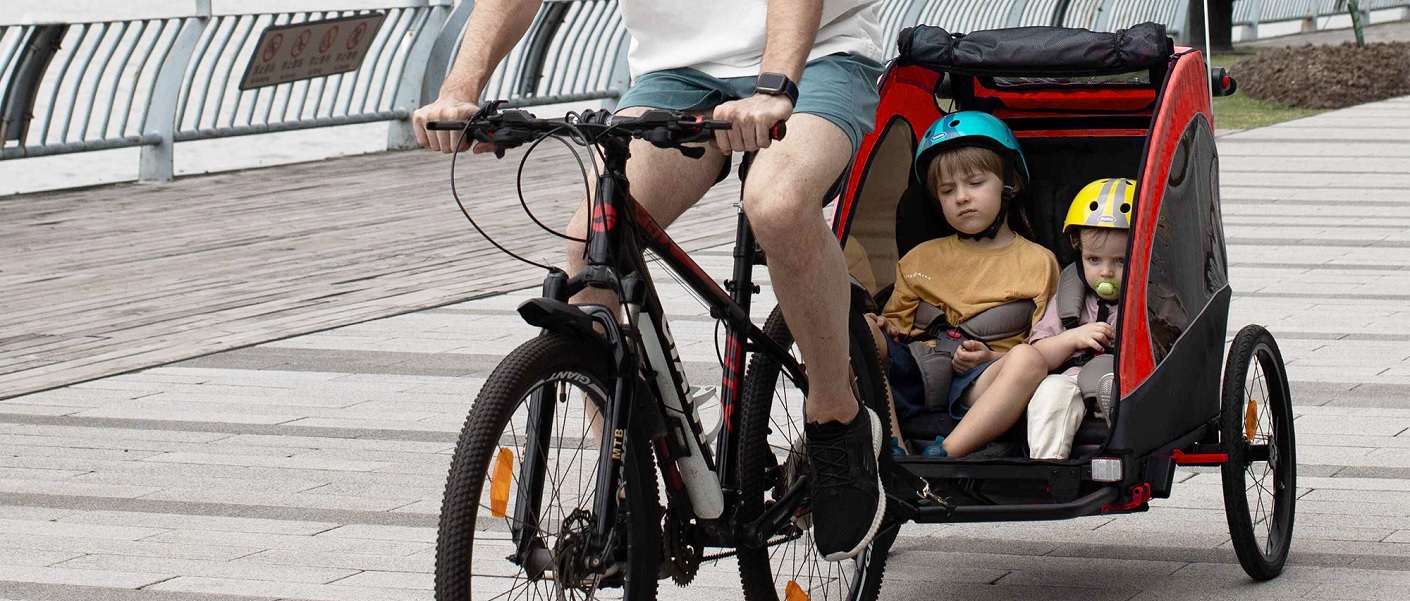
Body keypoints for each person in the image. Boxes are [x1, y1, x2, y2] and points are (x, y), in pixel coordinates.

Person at [411, 0, 888, 561]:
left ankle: (837, 417)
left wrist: (774, 84)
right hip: (677, 74)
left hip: (818, 57)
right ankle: (628, 483)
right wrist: (461, 89)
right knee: (591, 249)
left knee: (778, 205)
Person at [866, 111, 1056, 459]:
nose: (962, 198)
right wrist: (881, 327)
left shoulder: (1039, 263)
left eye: (975, 183)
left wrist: (995, 356)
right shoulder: (919, 260)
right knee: (859, 328)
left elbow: (1046, 340)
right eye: (948, 190)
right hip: (919, 369)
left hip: (983, 380)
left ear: (1009, 184)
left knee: (1028, 359)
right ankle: (893, 446)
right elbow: (895, 327)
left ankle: (945, 454)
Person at [1027, 178, 1133, 459]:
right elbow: (1038, 354)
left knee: (1116, 387)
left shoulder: (1147, 301)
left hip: (1125, 377)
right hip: (1071, 375)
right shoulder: (1069, 300)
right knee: (1050, 393)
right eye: (1094, 260)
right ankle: (1047, 465)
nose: (1106, 273)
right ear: (1079, 252)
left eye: (1120, 261)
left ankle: (1115, 433)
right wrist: (1072, 337)